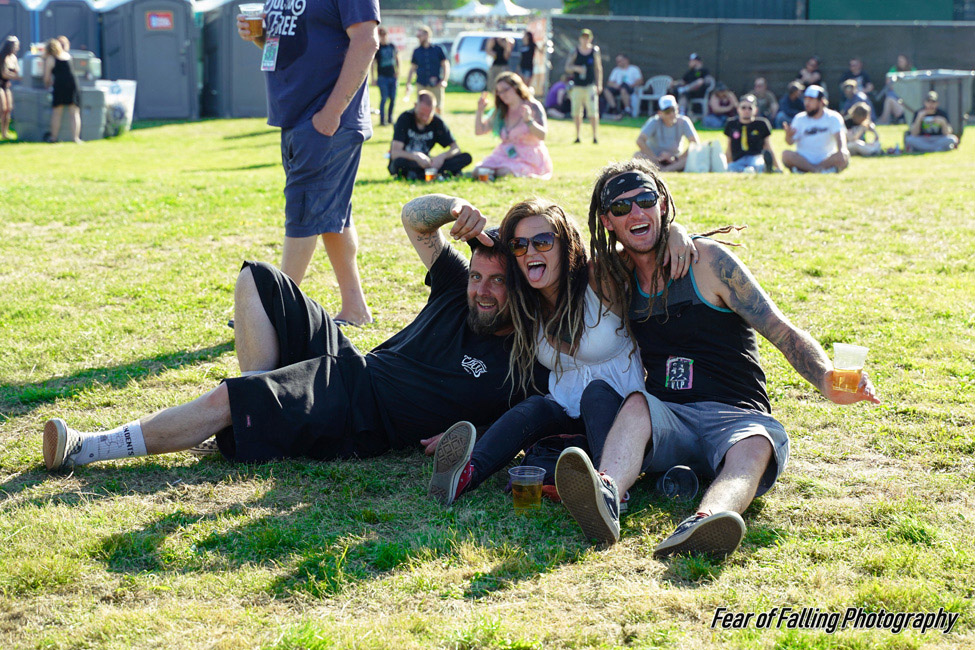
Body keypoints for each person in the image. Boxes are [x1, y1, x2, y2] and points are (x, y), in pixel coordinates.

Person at [43, 193, 541, 472]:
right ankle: (253, 409)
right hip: (355, 367)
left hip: (362, 413)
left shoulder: (524, 359)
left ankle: (87, 447)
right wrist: (454, 207)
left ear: (520, 288)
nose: (482, 290)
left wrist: (473, 438)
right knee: (259, 278)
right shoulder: (458, 287)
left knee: (227, 400)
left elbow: (530, 423)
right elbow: (414, 219)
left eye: (498, 282)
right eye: (478, 276)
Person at [553, 158, 880, 557]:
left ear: (662, 204)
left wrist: (827, 378)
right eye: (622, 207)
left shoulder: (707, 262)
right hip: (669, 418)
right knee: (637, 404)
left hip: (735, 416)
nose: (636, 212)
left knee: (758, 441)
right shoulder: (614, 276)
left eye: (646, 200)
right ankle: (607, 497)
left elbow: (780, 329)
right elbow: (549, 263)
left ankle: (708, 520)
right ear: (607, 221)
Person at [426, 202, 697, 507]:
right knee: (536, 407)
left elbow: (643, 251)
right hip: (567, 419)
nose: (530, 252)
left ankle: (610, 489)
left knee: (595, 393)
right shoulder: (526, 303)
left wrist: (675, 231)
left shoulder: (599, 279)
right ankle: (465, 474)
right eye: (519, 245)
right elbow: (484, 310)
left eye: (542, 241)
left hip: (623, 426)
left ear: (565, 244)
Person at [237, 0, 379, 326]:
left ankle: (276, 313)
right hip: (294, 115)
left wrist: (332, 113)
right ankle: (355, 309)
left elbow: (366, 41)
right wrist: (257, 36)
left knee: (303, 210)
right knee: (331, 215)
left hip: (326, 118)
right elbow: (286, 40)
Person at [474, 72, 553, 179]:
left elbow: (542, 135)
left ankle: (492, 176)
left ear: (516, 87)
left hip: (528, 157)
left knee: (504, 172)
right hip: (504, 154)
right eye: (499, 92)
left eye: (505, 90)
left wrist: (529, 121)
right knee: (478, 171)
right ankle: (491, 176)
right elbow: (479, 131)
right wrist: (480, 110)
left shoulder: (533, 106)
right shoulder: (501, 110)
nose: (502, 95)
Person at [389, 91, 472, 180]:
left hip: (427, 163)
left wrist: (442, 156)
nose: (425, 118)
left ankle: (422, 174)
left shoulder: (437, 122)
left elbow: (455, 148)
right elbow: (395, 153)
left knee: (466, 157)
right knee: (398, 163)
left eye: (428, 115)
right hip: (409, 161)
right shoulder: (404, 119)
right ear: (415, 105)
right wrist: (415, 156)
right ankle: (437, 173)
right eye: (422, 114)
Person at [781, 85, 849, 173]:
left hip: (826, 159)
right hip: (804, 159)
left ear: (821, 101)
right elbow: (790, 142)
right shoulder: (799, 118)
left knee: (844, 154)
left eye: (811, 100)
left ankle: (807, 170)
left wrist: (841, 150)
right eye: (805, 99)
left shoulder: (833, 117)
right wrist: (788, 136)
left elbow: (839, 137)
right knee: (786, 155)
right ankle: (818, 170)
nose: (807, 103)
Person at [634, 94, 700, 172]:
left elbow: (695, 143)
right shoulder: (654, 121)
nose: (671, 114)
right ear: (660, 113)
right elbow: (640, 140)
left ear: (677, 109)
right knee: (637, 155)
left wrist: (676, 159)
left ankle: (664, 169)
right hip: (655, 158)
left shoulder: (684, 121)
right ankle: (665, 168)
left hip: (675, 160)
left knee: (692, 157)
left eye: (673, 110)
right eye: (667, 111)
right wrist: (656, 158)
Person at [724, 94, 778, 172]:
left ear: (755, 110)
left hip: (755, 158)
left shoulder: (762, 124)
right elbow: (728, 148)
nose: (747, 111)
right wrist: (727, 164)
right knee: (732, 168)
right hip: (738, 159)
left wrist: (778, 167)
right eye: (743, 108)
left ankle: (764, 169)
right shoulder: (731, 124)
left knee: (758, 166)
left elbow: (768, 146)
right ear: (738, 109)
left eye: (750, 108)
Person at [565, 28, 602, 144]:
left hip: (590, 86)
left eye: (587, 38)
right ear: (580, 39)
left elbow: (598, 68)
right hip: (577, 86)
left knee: (593, 112)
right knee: (576, 113)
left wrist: (599, 84)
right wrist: (577, 69)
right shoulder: (575, 51)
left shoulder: (594, 51)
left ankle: (595, 136)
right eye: (583, 38)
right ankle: (577, 136)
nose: (585, 40)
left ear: (591, 39)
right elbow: (567, 67)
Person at [42, 38, 81, 144]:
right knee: (74, 112)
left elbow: (46, 77)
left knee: (57, 112)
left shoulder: (51, 58)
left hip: (60, 85)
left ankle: (53, 138)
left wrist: (47, 85)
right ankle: (76, 138)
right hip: (73, 84)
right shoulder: (67, 56)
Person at [406, 26, 449, 115]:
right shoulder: (417, 51)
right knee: (421, 108)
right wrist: (408, 83)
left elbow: (445, 65)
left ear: (426, 35)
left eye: (420, 36)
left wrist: (444, 80)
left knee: (437, 108)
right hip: (421, 84)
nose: (418, 38)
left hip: (436, 84)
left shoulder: (438, 49)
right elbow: (412, 68)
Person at [672, 53, 712, 118]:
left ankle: (684, 89)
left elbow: (707, 81)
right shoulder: (690, 72)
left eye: (691, 61)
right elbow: (683, 81)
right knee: (683, 95)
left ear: (697, 61)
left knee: (699, 81)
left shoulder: (704, 70)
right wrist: (674, 83)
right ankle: (681, 114)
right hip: (689, 92)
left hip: (700, 92)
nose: (689, 63)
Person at [372, 27, 399, 126]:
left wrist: (398, 71)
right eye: (381, 35)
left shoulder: (392, 46)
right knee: (384, 98)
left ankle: (390, 118)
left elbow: (397, 59)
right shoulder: (377, 48)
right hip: (382, 77)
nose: (383, 37)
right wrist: (373, 78)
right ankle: (382, 120)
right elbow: (373, 64)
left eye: (384, 35)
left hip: (392, 76)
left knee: (393, 98)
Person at [603, 53, 642, 118]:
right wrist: (615, 85)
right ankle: (614, 108)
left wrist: (631, 85)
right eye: (617, 61)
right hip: (618, 87)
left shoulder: (634, 69)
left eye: (620, 61)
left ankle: (627, 109)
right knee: (606, 90)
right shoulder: (616, 70)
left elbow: (640, 81)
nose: (618, 63)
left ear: (626, 60)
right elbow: (609, 82)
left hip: (630, 88)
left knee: (623, 89)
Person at [877, 54, 913, 125]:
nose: (900, 63)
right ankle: (884, 120)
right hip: (898, 102)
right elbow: (889, 84)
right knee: (889, 98)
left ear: (906, 61)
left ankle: (884, 120)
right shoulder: (894, 69)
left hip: (909, 107)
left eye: (902, 61)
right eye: (899, 61)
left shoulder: (912, 70)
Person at [1, 36, 21, 140]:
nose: (17, 48)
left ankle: (5, 133)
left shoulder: (13, 58)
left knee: (8, 109)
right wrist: (18, 77)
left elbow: (17, 71)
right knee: (2, 108)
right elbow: (4, 74)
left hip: (6, 85)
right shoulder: (2, 57)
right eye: (15, 45)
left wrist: (19, 75)